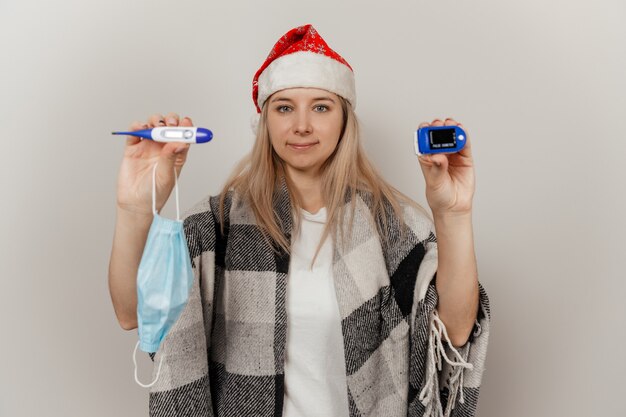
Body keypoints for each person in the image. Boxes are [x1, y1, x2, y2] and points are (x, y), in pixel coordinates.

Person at [108, 24, 490, 417]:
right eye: (284, 107)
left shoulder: (390, 224)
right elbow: (130, 312)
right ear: (265, 121)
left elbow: (455, 332)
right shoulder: (218, 225)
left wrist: (453, 214)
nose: (302, 125)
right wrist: (134, 207)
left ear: (345, 120)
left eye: (321, 107)